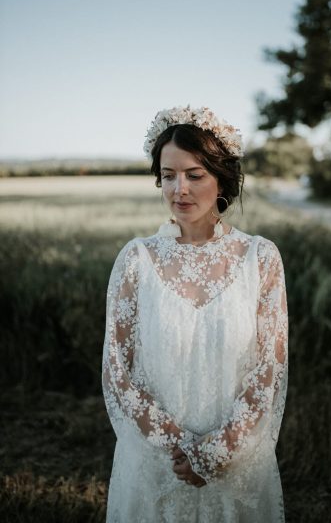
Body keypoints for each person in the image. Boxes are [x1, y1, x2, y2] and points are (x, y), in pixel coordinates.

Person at [102, 106, 289, 522]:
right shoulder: (136, 259)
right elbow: (118, 371)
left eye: (194, 174)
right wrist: (180, 447)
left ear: (221, 178)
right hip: (157, 464)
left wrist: (218, 451)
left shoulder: (261, 258)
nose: (179, 189)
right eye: (168, 175)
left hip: (236, 461)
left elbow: (268, 370)